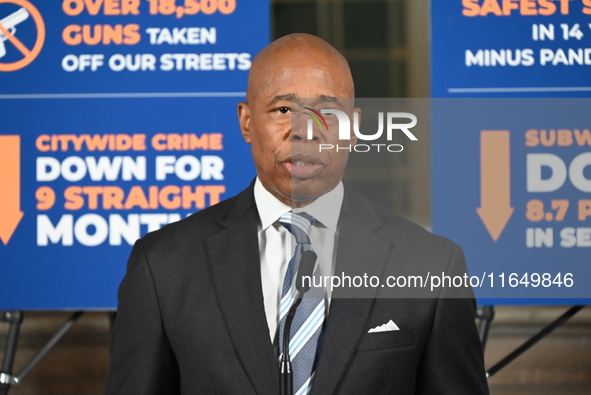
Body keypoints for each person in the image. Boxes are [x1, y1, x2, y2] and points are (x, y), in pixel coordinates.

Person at [105, 33, 489, 394]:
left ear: (354, 128)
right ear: (247, 122)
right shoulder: (162, 264)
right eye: (284, 109)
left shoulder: (431, 264)